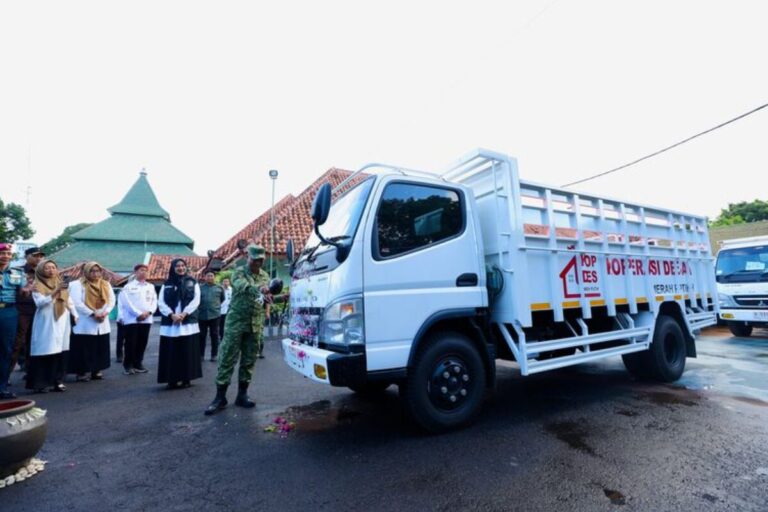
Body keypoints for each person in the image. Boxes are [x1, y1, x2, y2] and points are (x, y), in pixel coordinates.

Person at [205, 245, 288, 415]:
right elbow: (243, 286)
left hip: (255, 324)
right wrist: (260, 288)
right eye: (255, 259)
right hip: (236, 323)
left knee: (249, 360)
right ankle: (220, 397)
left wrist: (281, 298)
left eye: (261, 260)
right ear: (248, 257)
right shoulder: (239, 272)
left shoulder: (265, 275)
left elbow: (265, 299)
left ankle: (242, 395)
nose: (258, 262)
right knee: (227, 358)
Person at [26, 260, 77, 393]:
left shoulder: (59, 282)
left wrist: (74, 314)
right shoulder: (37, 284)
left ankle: (58, 380)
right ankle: (41, 383)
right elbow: (40, 303)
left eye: (53, 267)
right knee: (46, 349)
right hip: (46, 320)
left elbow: (68, 300)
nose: (51, 270)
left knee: (61, 350)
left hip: (62, 319)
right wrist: (55, 291)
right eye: (47, 268)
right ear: (41, 270)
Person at [157, 259, 202, 389]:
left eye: (183, 266)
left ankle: (186, 378)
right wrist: (172, 315)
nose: (181, 268)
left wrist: (184, 314)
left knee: (187, 351)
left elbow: (196, 300)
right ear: (173, 268)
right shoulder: (167, 283)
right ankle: (172, 380)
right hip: (171, 324)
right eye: (178, 266)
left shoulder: (192, 282)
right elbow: (161, 302)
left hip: (187, 323)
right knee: (171, 352)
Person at [68, 262, 115, 382]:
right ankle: (81, 372)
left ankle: (96, 370)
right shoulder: (77, 284)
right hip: (85, 321)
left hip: (102, 320)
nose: (95, 274)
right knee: (83, 348)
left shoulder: (105, 284)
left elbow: (111, 300)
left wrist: (105, 313)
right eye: (92, 271)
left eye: (98, 271)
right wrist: (93, 314)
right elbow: (76, 303)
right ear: (86, 272)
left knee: (99, 347)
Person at [10, 246, 44, 374]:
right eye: (35, 255)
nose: (38, 258)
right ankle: (5, 375)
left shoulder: (45, 273)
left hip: (40, 310)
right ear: (27, 257)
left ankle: (32, 373)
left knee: (35, 342)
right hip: (22, 310)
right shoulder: (17, 271)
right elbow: (12, 290)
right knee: (17, 342)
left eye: (41, 256)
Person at [119, 263, 157, 375]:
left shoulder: (150, 286)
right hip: (132, 319)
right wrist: (138, 314)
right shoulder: (128, 286)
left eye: (146, 270)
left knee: (142, 342)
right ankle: (128, 365)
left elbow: (154, 302)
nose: (144, 272)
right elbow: (126, 303)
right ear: (135, 272)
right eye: (141, 270)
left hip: (146, 319)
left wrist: (149, 312)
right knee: (130, 343)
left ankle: (138, 363)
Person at [0, 242, 23, 399]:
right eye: (3, 253)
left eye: (8, 254)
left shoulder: (16, 272)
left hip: (8, 311)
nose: (6, 256)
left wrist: (28, 290)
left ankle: (1, 387)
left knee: (5, 350)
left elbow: (22, 292)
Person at [198, 270, 224, 362]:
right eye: (208, 276)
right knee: (201, 335)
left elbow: (222, 299)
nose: (210, 277)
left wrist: (215, 307)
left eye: (211, 276)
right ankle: (201, 355)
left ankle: (214, 355)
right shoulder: (200, 288)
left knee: (214, 335)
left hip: (215, 315)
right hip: (201, 315)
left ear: (214, 277)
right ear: (205, 277)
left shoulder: (219, 288)